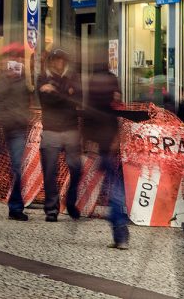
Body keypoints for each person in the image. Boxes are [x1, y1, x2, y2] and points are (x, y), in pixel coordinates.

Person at [0, 43, 31, 220]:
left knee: (17, 166)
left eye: (19, 58)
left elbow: (33, 95)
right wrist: (7, 79)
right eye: (12, 58)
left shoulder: (27, 79)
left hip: (17, 128)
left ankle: (16, 207)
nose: (16, 61)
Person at [85, 65, 129, 249]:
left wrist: (90, 143)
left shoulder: (94, 95)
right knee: (113, 190)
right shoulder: (109, 93)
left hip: (104, 146)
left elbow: (89, 121)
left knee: (113, 191)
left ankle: (120, 233)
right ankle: (120, 234)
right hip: (107, 144)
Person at [37, 49, 82, 222]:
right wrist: (66, 93)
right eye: (56, 60)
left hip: (71, 128)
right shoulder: (42, 78)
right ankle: (51, 209)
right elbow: (47, 102)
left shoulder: (73, 78)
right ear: (50, 62)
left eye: (62, 60)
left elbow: (77, 98)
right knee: (49, 171)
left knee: (76, 168)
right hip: (51, 129)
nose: (59, 63)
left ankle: (70, 202)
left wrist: (56, 91)